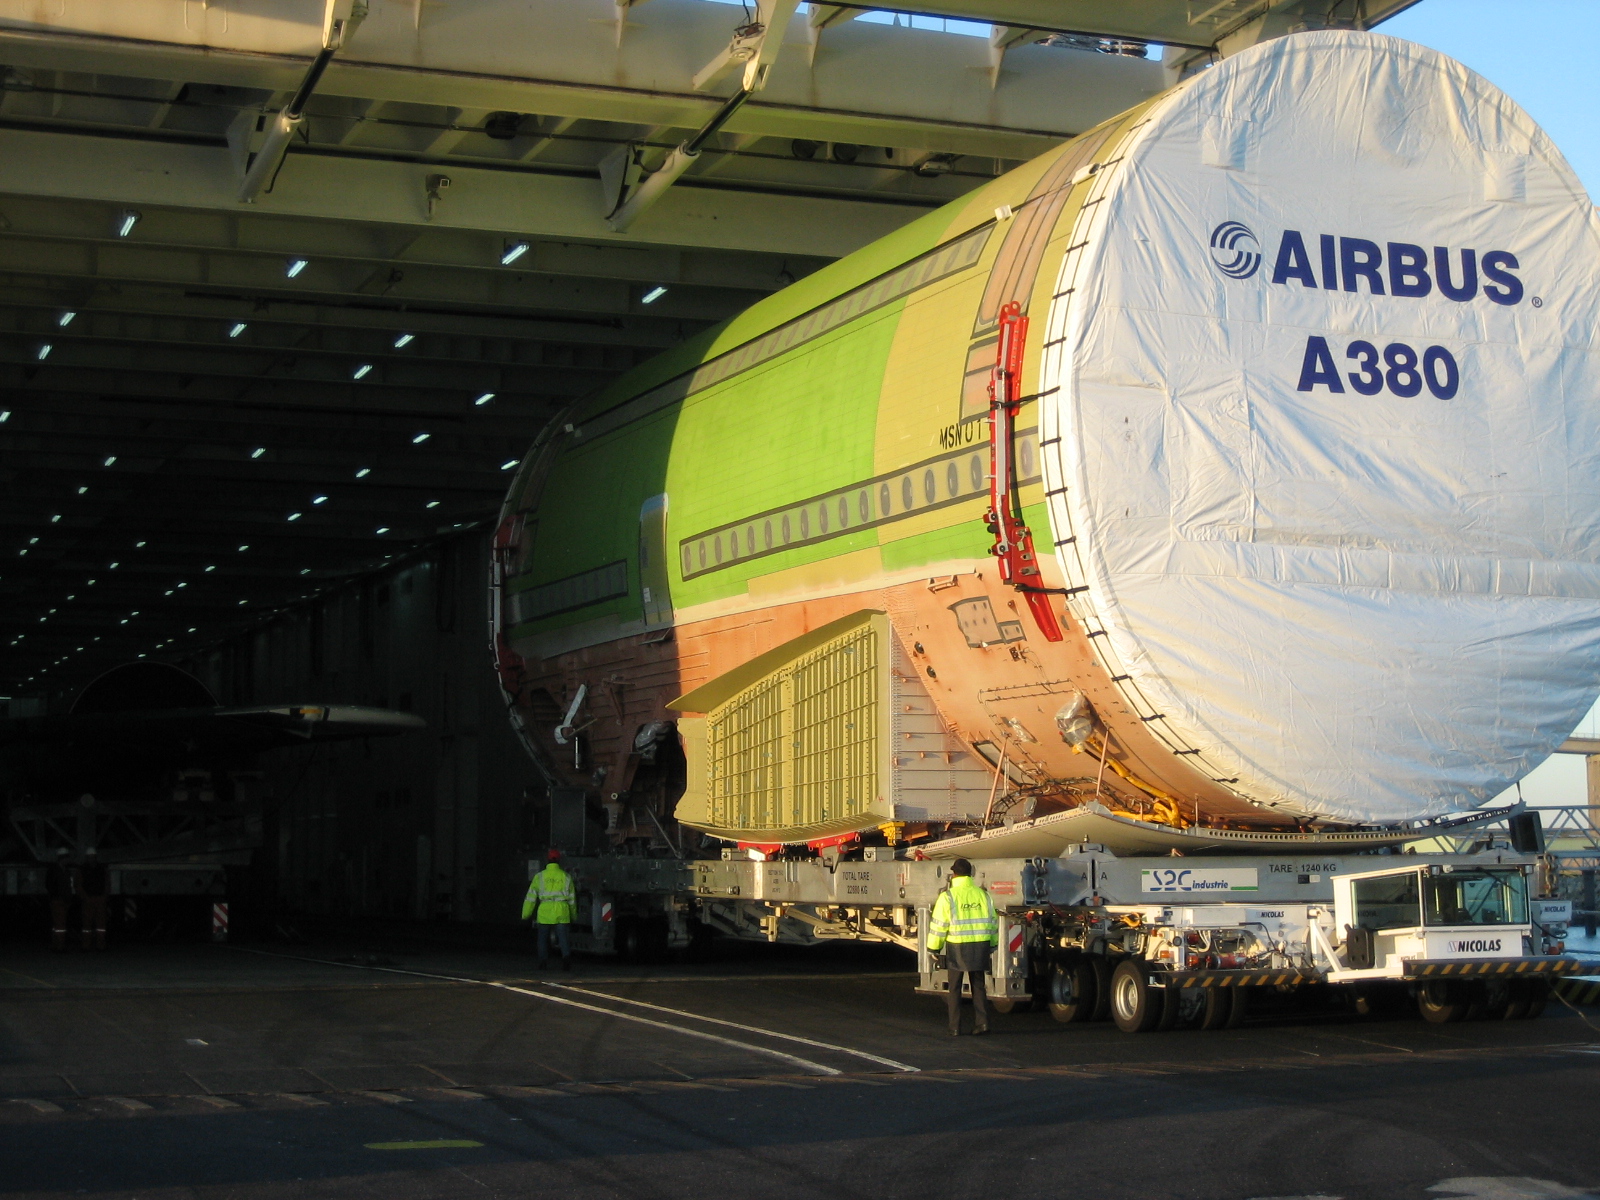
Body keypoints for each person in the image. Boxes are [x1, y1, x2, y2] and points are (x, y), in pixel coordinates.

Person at [927, 858, 998, 1036]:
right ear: (971, 874)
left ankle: (955, 1027)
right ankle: (982, 1024)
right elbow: (993, 922)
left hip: (957, 946)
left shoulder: (948, 897)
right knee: (979, 986)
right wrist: (993, 944)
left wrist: (933, 948)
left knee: (955, 988)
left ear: (954, 874)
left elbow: (939, 925)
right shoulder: (983, 895)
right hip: (980, 945)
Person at [522, 850, 575, 971]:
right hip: (562, 910)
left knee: (542, 938)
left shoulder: (539, 877)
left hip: (545, 911)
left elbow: (530, 898)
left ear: (547, 860)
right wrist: (574, 915)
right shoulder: (566, 877)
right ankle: (566, 961)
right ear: (559, 860)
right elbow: (572, 899)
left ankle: (543, 962)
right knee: (563, 938)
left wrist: (526, 914)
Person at [44, 847, 75, 952]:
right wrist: (56, 896)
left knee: (57, 924)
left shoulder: (65, 871)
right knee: (60, 925)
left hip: (63, 899)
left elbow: (68, 886)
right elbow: (50, 885)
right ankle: (60, 946)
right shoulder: (55, 870)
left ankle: (55, 944)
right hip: (58, 900)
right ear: (63, 858)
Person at [79, 847, 109, 951]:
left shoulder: (101, 868)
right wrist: (84, 897)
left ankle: (100, 945)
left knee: (101, 924)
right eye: (90, 857)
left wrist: (104, 897)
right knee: (87, 925)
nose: (91, 859)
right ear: (87, 858)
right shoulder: (82, 869)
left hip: (99, 898)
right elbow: (78, 884)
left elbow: (106, 883)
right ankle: (86, 945)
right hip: (88, 899)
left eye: (93, 857)